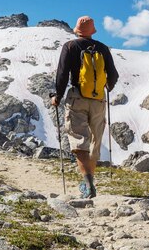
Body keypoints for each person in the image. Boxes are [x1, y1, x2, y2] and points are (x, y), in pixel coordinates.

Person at [51, 15, 119, 198]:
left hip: (77, 98)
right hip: (98, 100)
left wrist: (57, 95)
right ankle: (89, 182)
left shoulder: (70, 47)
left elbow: (62, 74)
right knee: (95, 142)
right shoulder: (103, 48)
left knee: (80, 140)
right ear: (92, 31)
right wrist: (105, 87)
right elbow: (113, 75)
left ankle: (88, 185)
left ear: (77, 30)